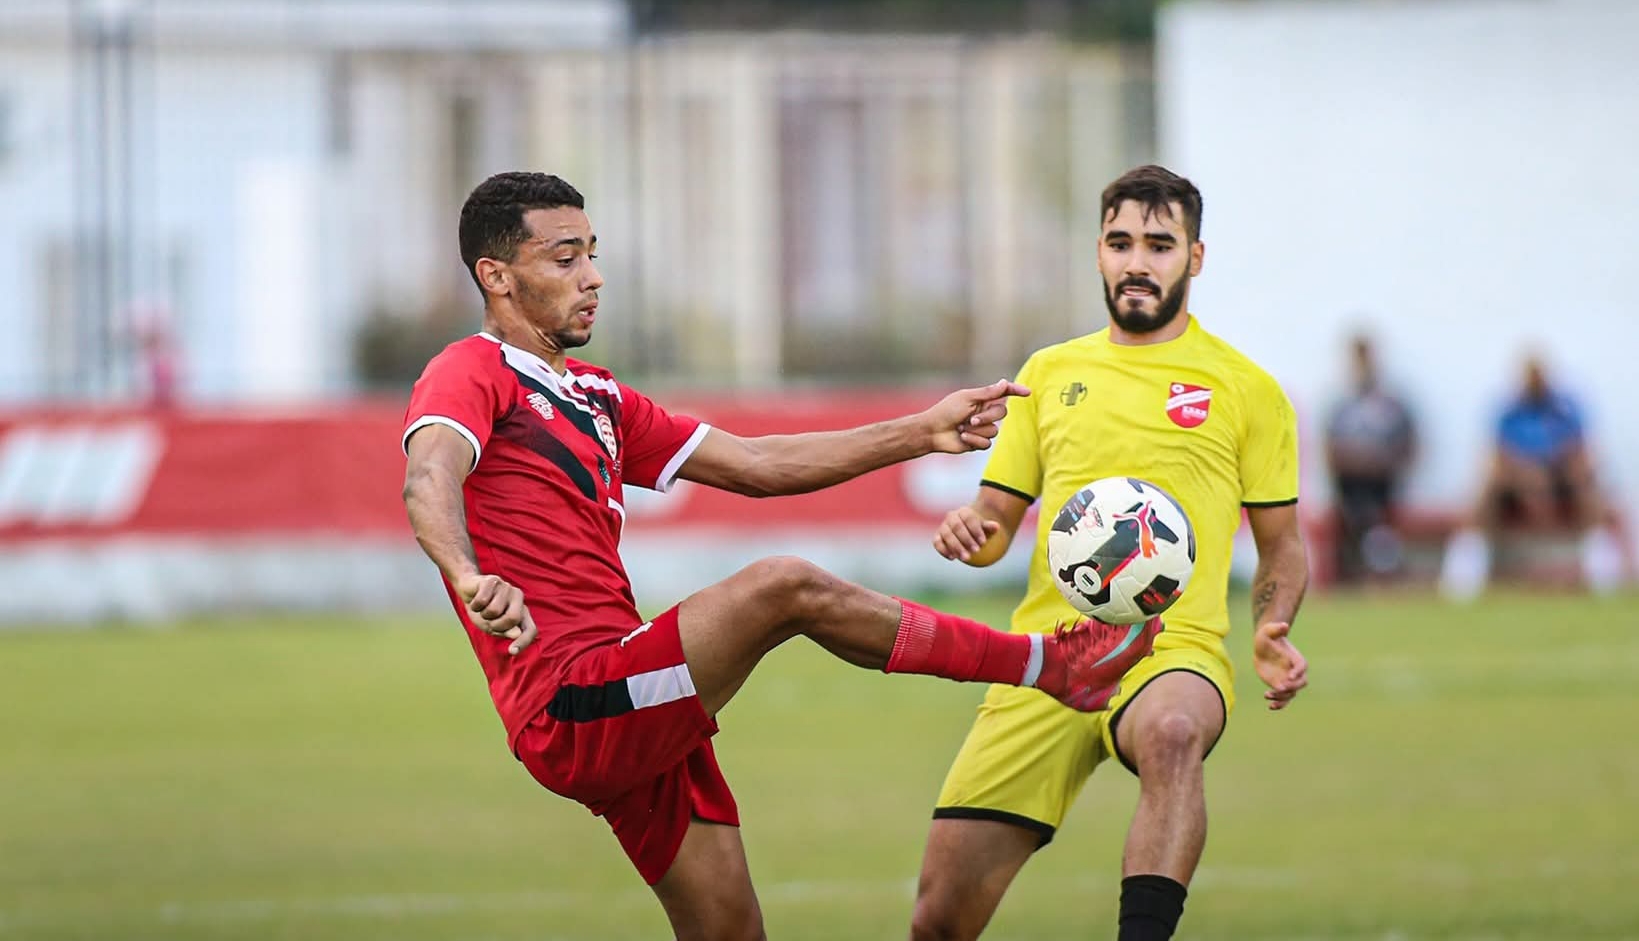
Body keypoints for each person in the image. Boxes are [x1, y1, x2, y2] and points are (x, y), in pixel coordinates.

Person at [399, 171, 1164, 940]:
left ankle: (1052, 666)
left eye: (592, 253)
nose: (593, 276)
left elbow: (759, 466)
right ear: (496, 276)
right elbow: (429, 473)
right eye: (565, 258)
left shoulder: (598, 396)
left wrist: (920, 431)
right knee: (783, 585)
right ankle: (1048, 665)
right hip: (575, 700)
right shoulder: (471, 370)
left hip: (636, 693)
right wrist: (466, 573)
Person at [906, 165, 1311, 941]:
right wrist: (970, 532)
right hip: (1044, 659)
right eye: (1120, 242)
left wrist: (1270, 625)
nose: (1137, 261)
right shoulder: (1049, 374)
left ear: (1194, 258)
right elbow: (995, 521)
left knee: (1173, 734)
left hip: (1171, 650)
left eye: (1159, 245)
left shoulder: (1246, 388)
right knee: (937, 919)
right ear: (1097, 251)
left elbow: (1282, 546)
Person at [1439, 353, 1623, 598]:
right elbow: (1495, 455)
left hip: (1560, 477)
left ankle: (1604, 572)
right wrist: (1525, 477)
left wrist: (1555, 474)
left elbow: (1583, 451)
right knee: (1484, 493)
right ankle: (1463, 576)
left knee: (1588, 489)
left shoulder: (1566, 408)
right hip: (1516, 480)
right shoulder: (1508, 410)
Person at [1323, 332, 1417, 583]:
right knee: (1355, 507)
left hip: (1384, 478)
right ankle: (1371, 563)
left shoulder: (1392, 403)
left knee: (1373, 509)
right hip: (1350, 480)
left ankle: (1380, 562)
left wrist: (1382, 461)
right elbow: (1330, 446)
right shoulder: (1341, 404)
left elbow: (1409, 441)